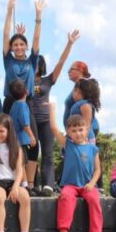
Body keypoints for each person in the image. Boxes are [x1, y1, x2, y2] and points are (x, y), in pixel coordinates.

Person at [27, 30, 80, 195]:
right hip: (30, 119)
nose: (34, 66)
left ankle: (48, 184)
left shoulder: (47, 80)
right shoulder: (24, 80)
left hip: (46, 120)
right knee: (32, 152)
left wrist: (69, 43)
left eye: (37, 63)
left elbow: (61, 63)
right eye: (32, 63)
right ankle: (32, 185)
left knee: (48, 153)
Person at [49, 110, 103, 232]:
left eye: (81, 129)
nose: (78, 133)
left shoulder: (93, 149)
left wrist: (92, 183)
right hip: (70, 185)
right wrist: (52, 108)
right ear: (69, 132)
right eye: (74, 130)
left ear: (87, 130)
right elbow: (54, 128)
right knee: (65, 197)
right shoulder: (68, 145)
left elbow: (98, 170)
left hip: (87, 185)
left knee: (94, 200)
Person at [2, 0, 45, 105]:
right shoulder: (8, 60)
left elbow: (36, 38)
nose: (19, 47)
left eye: (22, 44)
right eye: (15, 45)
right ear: (11, 47)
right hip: (10, 101)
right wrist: (9, 11)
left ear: (27, 47)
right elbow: (6, 35)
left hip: (27, 101)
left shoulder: (32, 61)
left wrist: (38, 14)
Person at [7, 79, 37, 190]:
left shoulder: (14, 105)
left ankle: (23, 185)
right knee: (22, 163)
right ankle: (25, 186)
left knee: (20, 163)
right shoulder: (23, 105)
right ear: (27, 91)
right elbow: (25, 124)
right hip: (21, 140)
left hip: (14, 139)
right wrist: (32, 136)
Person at [68, 78, 100, 144]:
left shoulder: (85, 105)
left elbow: (87, 124)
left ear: (78, 91)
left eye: (74, 91)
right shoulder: (80, 104)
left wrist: (84, 140)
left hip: (85, 140)